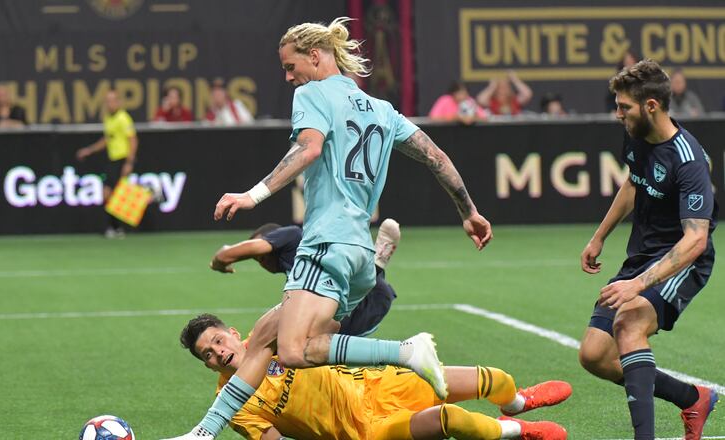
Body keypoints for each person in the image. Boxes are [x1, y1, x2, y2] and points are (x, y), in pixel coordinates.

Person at [171, 17, 492, 440]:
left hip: (325, 242)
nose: (288, 78)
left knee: (292, 350)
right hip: (360, 253)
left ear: (315, 56)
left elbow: (309, 147)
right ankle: (204, 432)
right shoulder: (382, 109)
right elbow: (437, 157)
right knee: (267, 337)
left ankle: (405, 352)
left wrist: (253, 196)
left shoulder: (312, 93)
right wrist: (468, 211)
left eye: (290, 66)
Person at [578, 59, 718, 440]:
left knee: (629, 323)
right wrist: (599, 236)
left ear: (651, 106)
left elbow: (696, 240)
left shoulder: (689, 162)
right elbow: (633, 183)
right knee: (593, 355)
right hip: (642, 256)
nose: (618, 113)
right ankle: (693, 398)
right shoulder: (636, 134)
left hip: (683, 259)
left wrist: (637, 286)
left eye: (624, 107)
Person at [173, 313, 571, 440]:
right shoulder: (233, 404)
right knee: (451, 420)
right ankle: (520, 430)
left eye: (218, 340)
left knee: (494, 378)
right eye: (208, 354)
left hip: (382, 383)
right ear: (207, 365)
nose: (219, 352)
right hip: (364, 428)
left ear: (235, 335)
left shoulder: (278, 339)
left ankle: (517, 402)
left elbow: (327, 322)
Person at [211, 219, 402, 337]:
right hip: (361, 320)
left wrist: (220, 260)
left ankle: (374, 264)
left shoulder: (292, 236)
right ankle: (374, 265)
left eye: (260, 256)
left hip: (367, 299)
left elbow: (227, 253)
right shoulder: (294, 271)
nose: (260, 261)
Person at [76, 90, 139, 238]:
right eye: (107, 101)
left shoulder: (123, 118)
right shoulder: (108, 119)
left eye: (113, 100)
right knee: (109, 194)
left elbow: (133, 140)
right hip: (112, 160)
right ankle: (115, 227)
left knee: (117, 194)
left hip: (122, 159)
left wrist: (129, 162)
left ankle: (117, 227)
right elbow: (107, 140)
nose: (110, 104)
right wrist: (89, 150)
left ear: (118, 102)